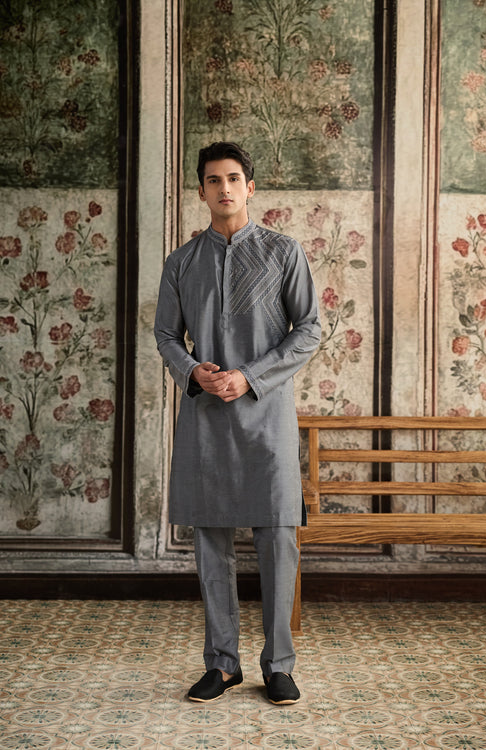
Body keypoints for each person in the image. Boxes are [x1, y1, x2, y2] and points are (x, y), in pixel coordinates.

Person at [154, 141, 321, 705]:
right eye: (212, 180)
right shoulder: (182, 262)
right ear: (201, 191)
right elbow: (165, 335)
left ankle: (279, 665)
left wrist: (250, 376)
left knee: (278, 537)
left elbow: (309, 328)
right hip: (205, 416)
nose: (223, 188)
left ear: (250, 187)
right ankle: (222, 664)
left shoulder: (283, 252)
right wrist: (192, 370)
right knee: (211, 540)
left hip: (267, 414)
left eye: (232, 179)